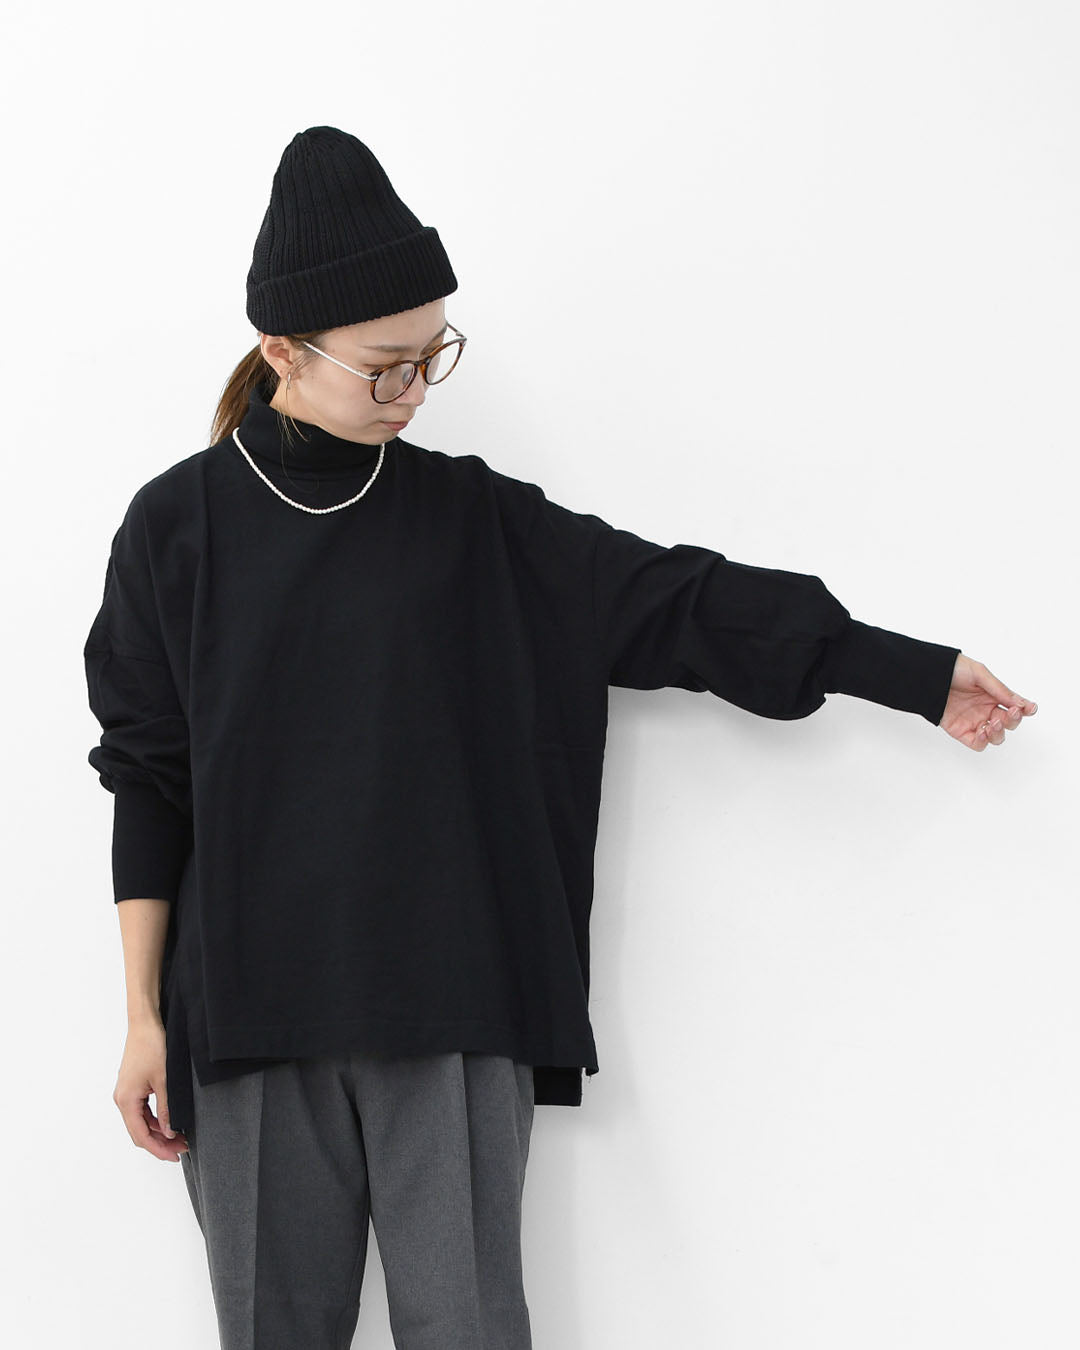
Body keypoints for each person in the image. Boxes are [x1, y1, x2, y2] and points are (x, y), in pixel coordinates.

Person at [83, 126, 1037, 1350]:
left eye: (433, 357)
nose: (414, 391)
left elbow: (677, 601)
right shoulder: (176, 528)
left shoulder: (476, 524)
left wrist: (907, 672)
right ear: (282, 350)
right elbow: (149, 778)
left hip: (452, 1001)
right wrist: (142, 1017)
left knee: (473, 1329)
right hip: (247, 1013)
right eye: (386, 367)